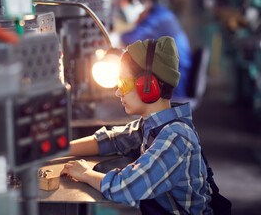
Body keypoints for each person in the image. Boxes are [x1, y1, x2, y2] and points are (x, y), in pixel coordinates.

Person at [60, 36, 212, 214]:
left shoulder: (176, 137)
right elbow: (112, 140)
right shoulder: (152, 125)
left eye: (123, 84)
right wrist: (59, 150)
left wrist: (85, 173)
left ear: (148, 85)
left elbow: (126, 188)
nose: (118, 92)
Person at [117, 0, 192, 99]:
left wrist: (111, 38)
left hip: (175, 82)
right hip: (172, 75)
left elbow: (130, 39)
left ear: (139, 5)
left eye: (126, 8)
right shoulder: (159, 13)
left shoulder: (159, 18)